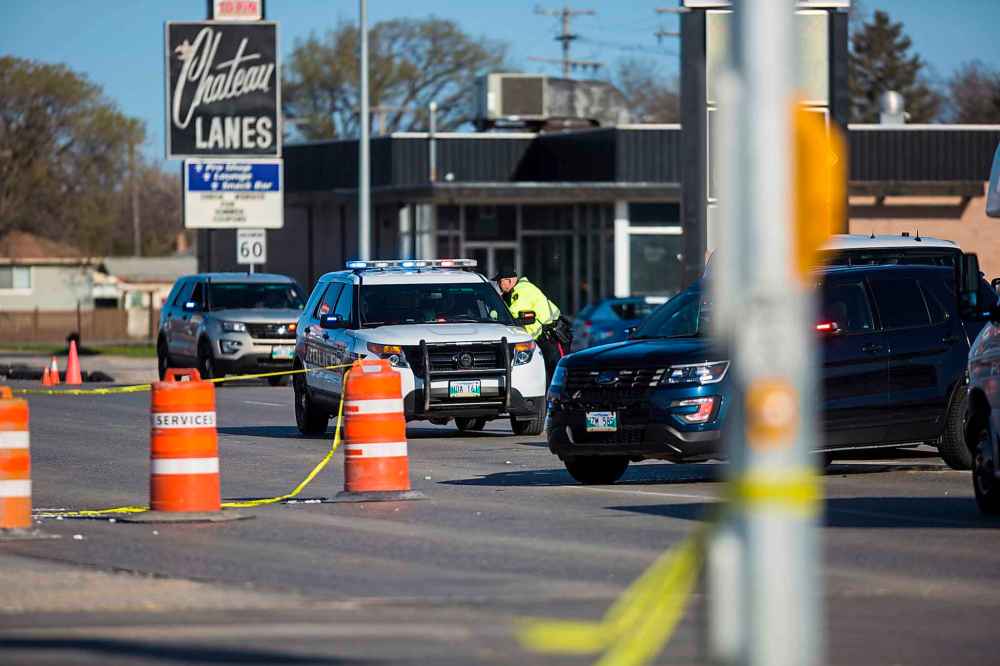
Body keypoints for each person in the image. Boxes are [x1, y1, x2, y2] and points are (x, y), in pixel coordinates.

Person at [493, 265, 566, 384]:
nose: (499, 285)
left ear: (509, 280)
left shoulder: (522, 291)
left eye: (500, 281)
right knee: (548, 376)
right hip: (543, 339)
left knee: (557, 376)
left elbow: (511, 315)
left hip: (552, 337)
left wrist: (493, 312)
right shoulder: (515, 292)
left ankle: (563, 401)